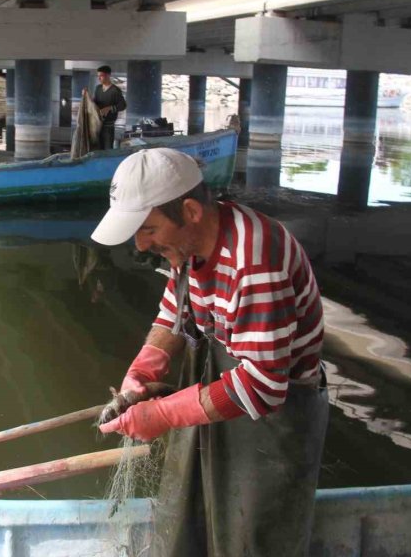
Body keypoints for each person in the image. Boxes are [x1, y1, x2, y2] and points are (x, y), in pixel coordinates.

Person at [93, 147, 328, 557]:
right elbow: (172, 317)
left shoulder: (255, 261)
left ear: (191, 210)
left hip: (271, 429)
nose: (141, 244)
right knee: (192, 523)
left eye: (148, 229)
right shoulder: (187, 249)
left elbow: (262, 387)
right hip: (218, 406)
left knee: (253, 542)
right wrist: (141, 375)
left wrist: (163, 414)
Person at [88, 65, 126, 150]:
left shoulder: (115, 90)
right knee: (96, 148)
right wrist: (87, 98)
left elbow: (123, 105)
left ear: (108, 76)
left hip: (108, 126)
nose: (99, 78)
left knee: (107, 149)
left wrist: (109, 108)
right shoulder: (98, 89)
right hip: (96, 125)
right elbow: (95, 103)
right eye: (98, 76)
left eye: (101, 76)